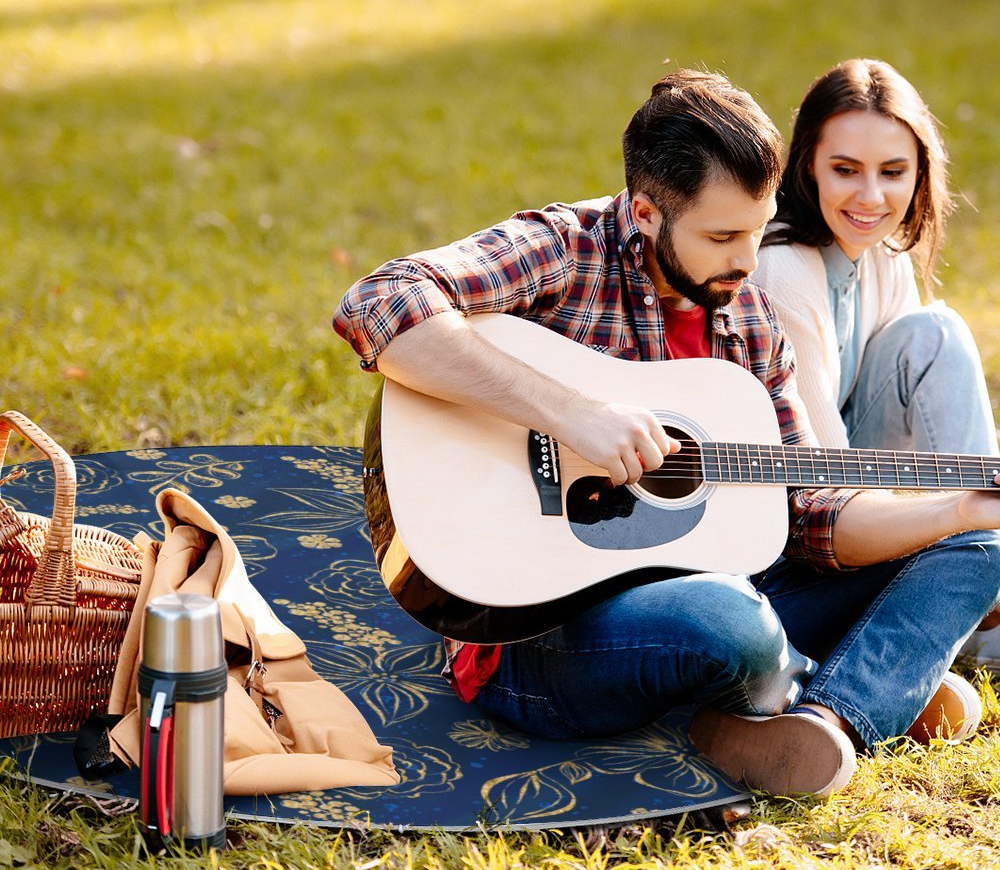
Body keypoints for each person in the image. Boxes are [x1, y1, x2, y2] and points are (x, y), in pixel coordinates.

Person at [333, 69, 1000, 798]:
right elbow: (380, 301)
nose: (748, 262)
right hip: (539, 636)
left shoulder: (748, 317)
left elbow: (810, 511)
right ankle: (861, 678)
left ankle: (831, 719)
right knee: (728, 622)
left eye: (757, 228)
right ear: (646, 212)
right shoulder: (564, 249)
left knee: (980, 547)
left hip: (726, 590)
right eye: (722, 236)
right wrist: (569, 412)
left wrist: (956, 510)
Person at [753, 58, 1000, 670]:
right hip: (795, 530)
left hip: (861, 495)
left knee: (931, 333)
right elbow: (824, 484)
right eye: (845, 170)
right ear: (807, 163)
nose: (871, 197)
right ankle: (978, 609)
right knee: (937, 333)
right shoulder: (783, 268)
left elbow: (919, 426)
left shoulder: (882, 251)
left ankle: (979, 577)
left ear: (920, 173)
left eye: (893, 172)